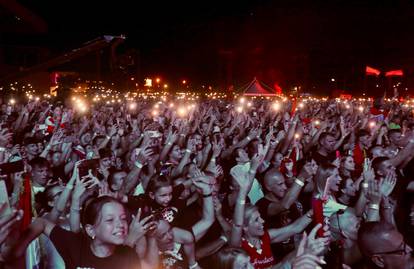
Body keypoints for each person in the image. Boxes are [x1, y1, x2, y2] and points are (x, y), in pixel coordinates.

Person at [5, 196, 154, 269]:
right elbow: (42, 223)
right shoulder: (75, 244)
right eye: (110, 220)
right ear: (90, 230)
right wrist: (18, 250)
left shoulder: (129, 256)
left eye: (123, 219)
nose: (120, 225)